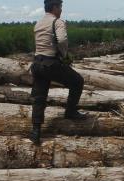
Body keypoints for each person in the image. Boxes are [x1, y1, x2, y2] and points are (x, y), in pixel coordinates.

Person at [30, 0, 87, 145]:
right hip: (51, 63)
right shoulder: (58, 22)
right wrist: (64, 54)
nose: (61, 10)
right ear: (55, 7)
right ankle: (70, 112)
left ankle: (36, 131)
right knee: (77, 81)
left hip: (37, 64)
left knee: (39, 97)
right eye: (60, 7)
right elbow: (62, 40)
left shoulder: (38, 23)